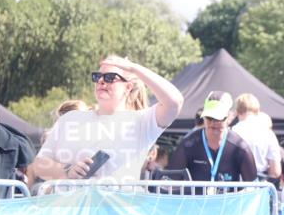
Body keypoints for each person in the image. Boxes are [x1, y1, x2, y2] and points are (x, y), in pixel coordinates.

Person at [33, 56, 183, 183]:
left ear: (128, 87)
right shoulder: (70, 119)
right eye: (98, 77)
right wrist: (66, 172)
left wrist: (134, 68)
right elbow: (39, 165)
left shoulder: (142, 121)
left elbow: (174, 102)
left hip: (115, 214)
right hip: (71, 212)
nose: (101, 81)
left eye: (110, 77)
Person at [168, 92, 257, 185]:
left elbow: (254, 188)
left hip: (228, 199)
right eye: (209, 117)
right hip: (196, 199)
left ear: (229, 117)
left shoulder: (240, 148)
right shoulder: (188, 144)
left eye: (219, 118)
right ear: (204, 118)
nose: (213, 122)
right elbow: (171, 183)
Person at [232, 93, 282, 183]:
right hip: (260, 186)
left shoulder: (232, 132)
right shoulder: (268, 133)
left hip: (237, 185)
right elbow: (275, 171)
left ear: (237, 111)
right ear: (258, 111)